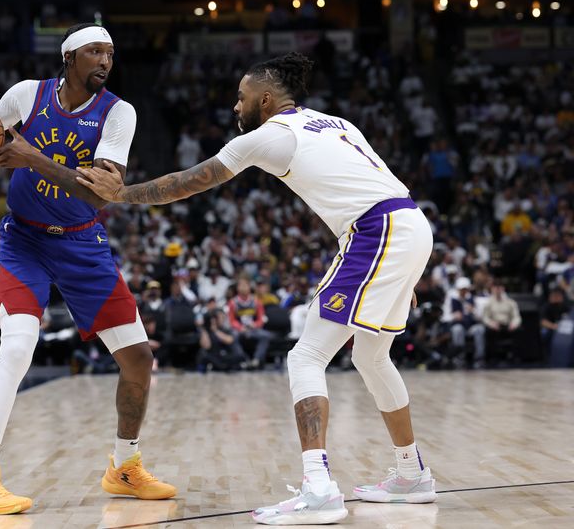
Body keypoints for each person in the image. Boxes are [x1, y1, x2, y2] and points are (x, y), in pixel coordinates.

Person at [76, 52, 436, 525]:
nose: (235, 106)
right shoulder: (334, 122)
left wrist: (120, 193)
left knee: (305, 357)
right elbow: (375, 184)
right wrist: (404, 269)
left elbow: (190, 181)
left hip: (377, 232)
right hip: (407, 224)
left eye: (241, 98)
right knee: (371, 356)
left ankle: (319, 488)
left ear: (265, 100)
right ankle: (412, 475)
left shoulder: (269, 137)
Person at [0, 23, 175, 514]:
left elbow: (98, 193)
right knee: (19, 345)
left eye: (110, 52)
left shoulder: (118, 113)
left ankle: (124, 466)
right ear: (69, 59)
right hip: (24, 241)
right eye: (94, 52)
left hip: (83, 244)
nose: (105, 61)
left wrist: (31, 156)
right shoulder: (29, 95)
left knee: (138, 359)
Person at [227, 277, 271, 369]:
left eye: (245, 285)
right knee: (232, 337)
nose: (243, 288)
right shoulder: (233, 303)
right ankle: (243, 360)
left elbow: (261, 319)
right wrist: (240, 327)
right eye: (241, 285)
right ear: (237, 288)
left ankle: (256, 360)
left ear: (249, 287)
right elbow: (231, 320)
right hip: (239, 330)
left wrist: (255, 324)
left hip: (252, 329)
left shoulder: (256, 302)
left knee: (266, 335)